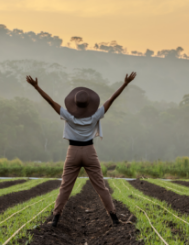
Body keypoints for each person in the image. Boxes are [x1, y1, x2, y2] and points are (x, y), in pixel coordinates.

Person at [26, 72, 137, 227]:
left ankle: (55, 219)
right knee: (101, 188)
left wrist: (36, 87)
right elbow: (111, 99)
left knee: (65, 187)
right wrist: (125, 83)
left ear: (75, 104)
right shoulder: (95, 116)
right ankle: (114, 219)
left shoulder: (68, 116)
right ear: (89, 105)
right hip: (90, 152)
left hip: (73, 152)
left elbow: (50, 101)